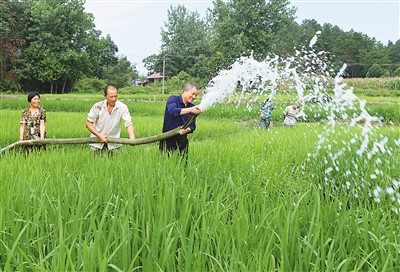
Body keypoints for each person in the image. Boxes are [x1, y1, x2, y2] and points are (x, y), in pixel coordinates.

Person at [86, 84, 135, 152]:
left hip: (114, 145)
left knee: (116, 162)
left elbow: (128, 123)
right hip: (97, 144)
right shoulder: (98, 106)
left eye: (115, 96)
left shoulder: (122, 107)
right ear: (105, 96)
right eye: (111, 97)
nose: (114, 99)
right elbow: (88, 123)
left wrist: (132, 137)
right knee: (94, 162)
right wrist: (99, 135)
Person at [159, 82, 201, 157]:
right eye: (193, 93)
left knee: (182, 165)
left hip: (182, 140)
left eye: (196, 95)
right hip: (167, 138)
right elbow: (173, 111)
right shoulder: (173, 99)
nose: (194, 97)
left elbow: (192, 126)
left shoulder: (192, 107)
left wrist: (187, 130)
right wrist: (190, 110)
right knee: (164, 164)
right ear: (185, 91)